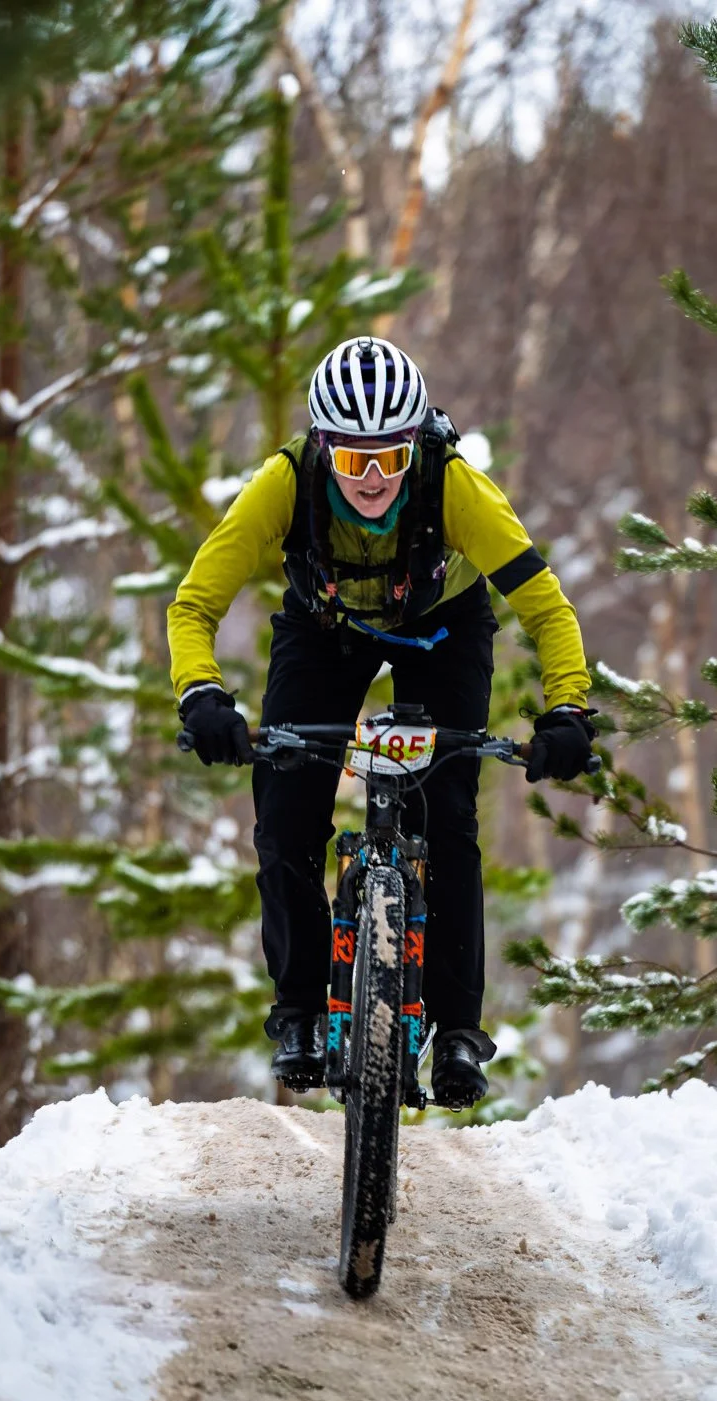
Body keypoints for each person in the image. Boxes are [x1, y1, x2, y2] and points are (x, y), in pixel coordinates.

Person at [167, 337, 594, 1105]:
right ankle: (299, 1011)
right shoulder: (285, 482)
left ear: (415, 447)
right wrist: (201, 695)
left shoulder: (457, 486)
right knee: (286, 815)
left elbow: (544, 605)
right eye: (353, 459)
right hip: (324, 629)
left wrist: (568, 707)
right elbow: (194, 602)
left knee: (448, 815)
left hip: (442, 627)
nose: (372, 479)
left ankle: (459, 1029)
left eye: (390, 459)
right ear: (322, 446)